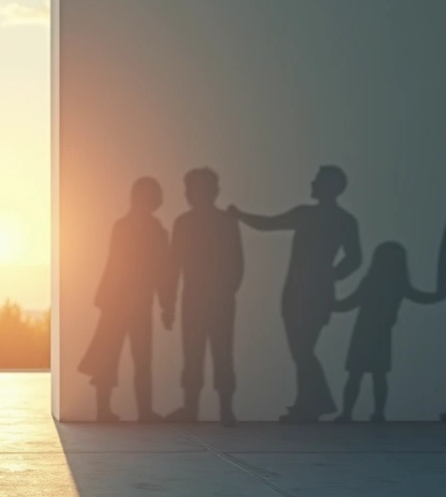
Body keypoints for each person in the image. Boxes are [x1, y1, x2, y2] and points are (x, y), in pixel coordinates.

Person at [230, 165, 362, 423]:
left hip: (313, 294)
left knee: (302, 350)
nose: (312, 183)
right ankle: (310, 403)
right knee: (301, 350)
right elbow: (268, 224)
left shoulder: (336, 220)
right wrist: (241, 216)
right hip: (297, 292)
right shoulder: (313, 215)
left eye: (317, 180)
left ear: (329, 186)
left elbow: (355, 258)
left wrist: (329, 276)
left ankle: (312, 404)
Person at [78, 177, 175, 422]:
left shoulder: (131, 227)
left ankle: (118, 410)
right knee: (123, 357)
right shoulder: (151, 230)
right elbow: (160, 271)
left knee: (119, 356)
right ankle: (135, 411)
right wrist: (166, 304)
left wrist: (166, 303)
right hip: (126, 302)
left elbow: (159, 271)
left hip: (123, 302)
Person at [165, 168, 244, 426]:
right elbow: (174, 266)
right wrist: (169, 304)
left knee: (213, 354)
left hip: (208, 299)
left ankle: (219, 410)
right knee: (203, 355)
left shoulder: (205, 223)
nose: (190, 194)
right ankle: (203, 409)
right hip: (204, 299)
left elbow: (236, 263)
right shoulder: (195, 223)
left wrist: (169, 305)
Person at [332, 242, 440, 423]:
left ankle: (352, 413)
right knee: (374, 375)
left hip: (367, 333)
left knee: (361, 375)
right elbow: (422, 297)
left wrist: (329, 304)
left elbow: (348, 304)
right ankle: (372, 413)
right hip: (376, 334)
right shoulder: (395, 284)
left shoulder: (375, 282)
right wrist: (438, 296)